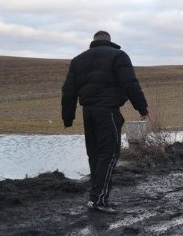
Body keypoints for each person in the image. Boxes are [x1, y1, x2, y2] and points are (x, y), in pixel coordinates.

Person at [62, 30, 149, 213]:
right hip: (108, 111)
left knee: (94, 154)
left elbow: (68, 91)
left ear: (93, 41)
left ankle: (97, 197)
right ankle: (99, 200)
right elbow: (130, 83)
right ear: (109, 41)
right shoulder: (118, 56)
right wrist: (142, 109)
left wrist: (68, 117)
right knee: (109, 155)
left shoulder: (78, 60)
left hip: (88, 113)